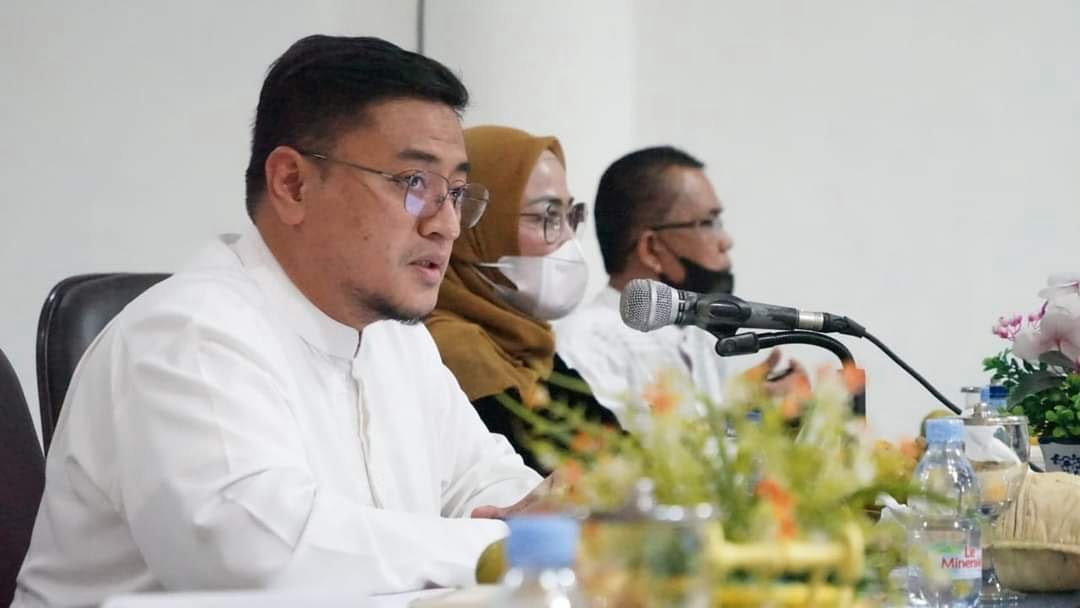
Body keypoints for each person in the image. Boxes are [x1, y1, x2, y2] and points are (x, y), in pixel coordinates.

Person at [14, 36, 544, 606]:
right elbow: (265, 562)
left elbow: (484, 483)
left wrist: (553, 515)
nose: (447, 225)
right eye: (415, 183)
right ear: (292, 183)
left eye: (456, 192)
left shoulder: (396, 339)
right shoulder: (187, 335)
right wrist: (508, 544)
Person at [425, 126, 621, 474]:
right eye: (548, 217)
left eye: (570, 216)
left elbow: (619, 453)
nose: (569, 238)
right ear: (476, 226)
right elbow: (540, 482)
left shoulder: (527, 345)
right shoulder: (455, 351)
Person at [557, 146, 798, 424]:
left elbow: (708, 440)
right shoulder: (589, 341)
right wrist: (735, 413)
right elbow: (617, 449)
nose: (725, 241)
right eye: (708, 222)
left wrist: (751, 406)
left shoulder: (698, 336)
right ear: (651, 248)